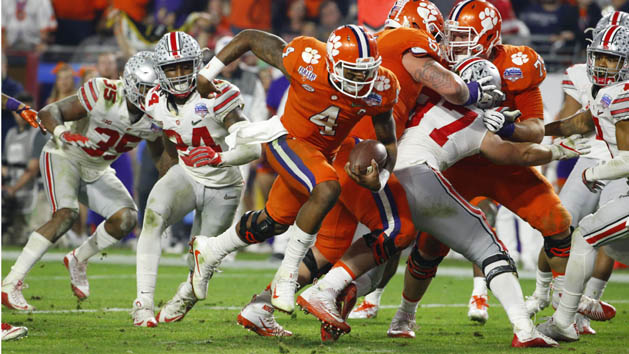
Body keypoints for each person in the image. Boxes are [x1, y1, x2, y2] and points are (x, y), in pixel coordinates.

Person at [237, 0, 503, 340]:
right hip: (357, 152)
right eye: (436, 34)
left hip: (349, 149)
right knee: (399, 229)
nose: (441, 43)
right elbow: (450, 88)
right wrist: (479, 93)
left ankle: (261, 306)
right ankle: (327, 292)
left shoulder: (382, 54)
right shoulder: (406, 40)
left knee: (331, 247)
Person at [384, 0, 574, 326]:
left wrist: (509, 128)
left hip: (507, 165)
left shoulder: (518, 64)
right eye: (452, 35)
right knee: (428, 248)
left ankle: (563, 311)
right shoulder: (437, 60)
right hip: (458, 165)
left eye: (463, 36)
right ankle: (405, 315)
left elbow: (535, 129)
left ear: (489, 37)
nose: (454, 44)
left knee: (558, 223)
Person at [189, 24, 401, 317]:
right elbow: (250, 37)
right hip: (286, 138)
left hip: (321, 153)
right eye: (352, 72)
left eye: (366, 72)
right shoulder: (307, 57)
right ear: (331, 63)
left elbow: (388, 141)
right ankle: (286, 277)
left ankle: (210, 250)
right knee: (328, 187)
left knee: (273, 222)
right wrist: (207, 72)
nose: (361, 80)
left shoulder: (381, 86)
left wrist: (381, 178)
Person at [1, 51, 163, 311]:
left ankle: (78, 258)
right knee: (66, 214)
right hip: (64, 154)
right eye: (143, 88)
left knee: (127, 218)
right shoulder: (103, 91)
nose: (148, 95)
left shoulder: (158, 115)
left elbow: (160, 159)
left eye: (153, 88)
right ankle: (11, 283)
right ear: (130, 82)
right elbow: (49, 111)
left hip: (97, 168)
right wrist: (63, 133)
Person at [131, 31, 261, 327]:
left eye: (185, 66)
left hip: (224, 185)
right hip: (187, 174)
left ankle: (183, 297)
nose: (178, 74)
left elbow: (253, 147)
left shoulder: (218, 95)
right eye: (171, 68)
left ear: (198, 63)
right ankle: (143, 303)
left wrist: (221, 158)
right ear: (160, 71)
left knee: (201, 262)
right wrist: (167, 162)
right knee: (152, 219)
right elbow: (168, 128)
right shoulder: (153, 98)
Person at [525, 12, 629, 334]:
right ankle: (563, 311)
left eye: (611, 59)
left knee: (593, 237)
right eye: (598, 54)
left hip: (613, 167)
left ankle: (572, 310)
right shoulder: (607, 92)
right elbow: (578, 124)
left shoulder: (619, 95)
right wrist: (529, 134)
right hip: (604, 162)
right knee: (577, 231)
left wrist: (593, 171)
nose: (600, 63)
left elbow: (626, 157)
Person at [2, 93, 49, 245]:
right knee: (12, 239)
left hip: (36, 188)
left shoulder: (40, 133)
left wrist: (12, 189)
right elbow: (4, 165)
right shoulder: (10, 134)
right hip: (14, 188)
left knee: (36, 237)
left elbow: (33, 169)